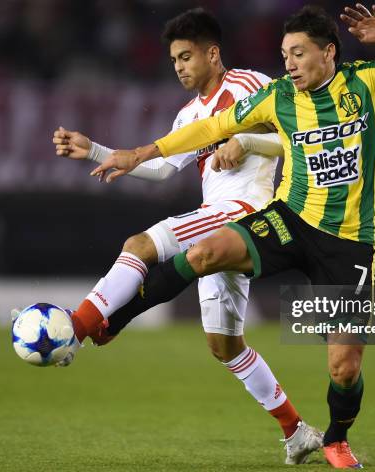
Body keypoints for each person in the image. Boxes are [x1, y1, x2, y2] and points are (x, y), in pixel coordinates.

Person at [80, 4, 375, 468]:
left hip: (349, 242)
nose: (288, 63)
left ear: (328, 52)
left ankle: (335, 438)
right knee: (206, 251)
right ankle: (115, 320)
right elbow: (210, 128)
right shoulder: (277, 96)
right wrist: (136, 154)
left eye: (297, 53)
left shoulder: (367, 81)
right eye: (284, 53)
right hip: (290, 220)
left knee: (344, 367)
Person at [51, 7, 323, 465]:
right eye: (174, 59)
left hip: (246, 209)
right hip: (216, 217)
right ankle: (296, 431)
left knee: (140, 244)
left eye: (185, 56)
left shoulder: (252, 86)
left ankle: (74, 330)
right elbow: (161, 168)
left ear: (212, 54)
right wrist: (96, 150)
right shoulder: (190, 115)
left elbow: (298, 138)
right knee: (225, 347)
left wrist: (248, 141)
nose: (178, 67)